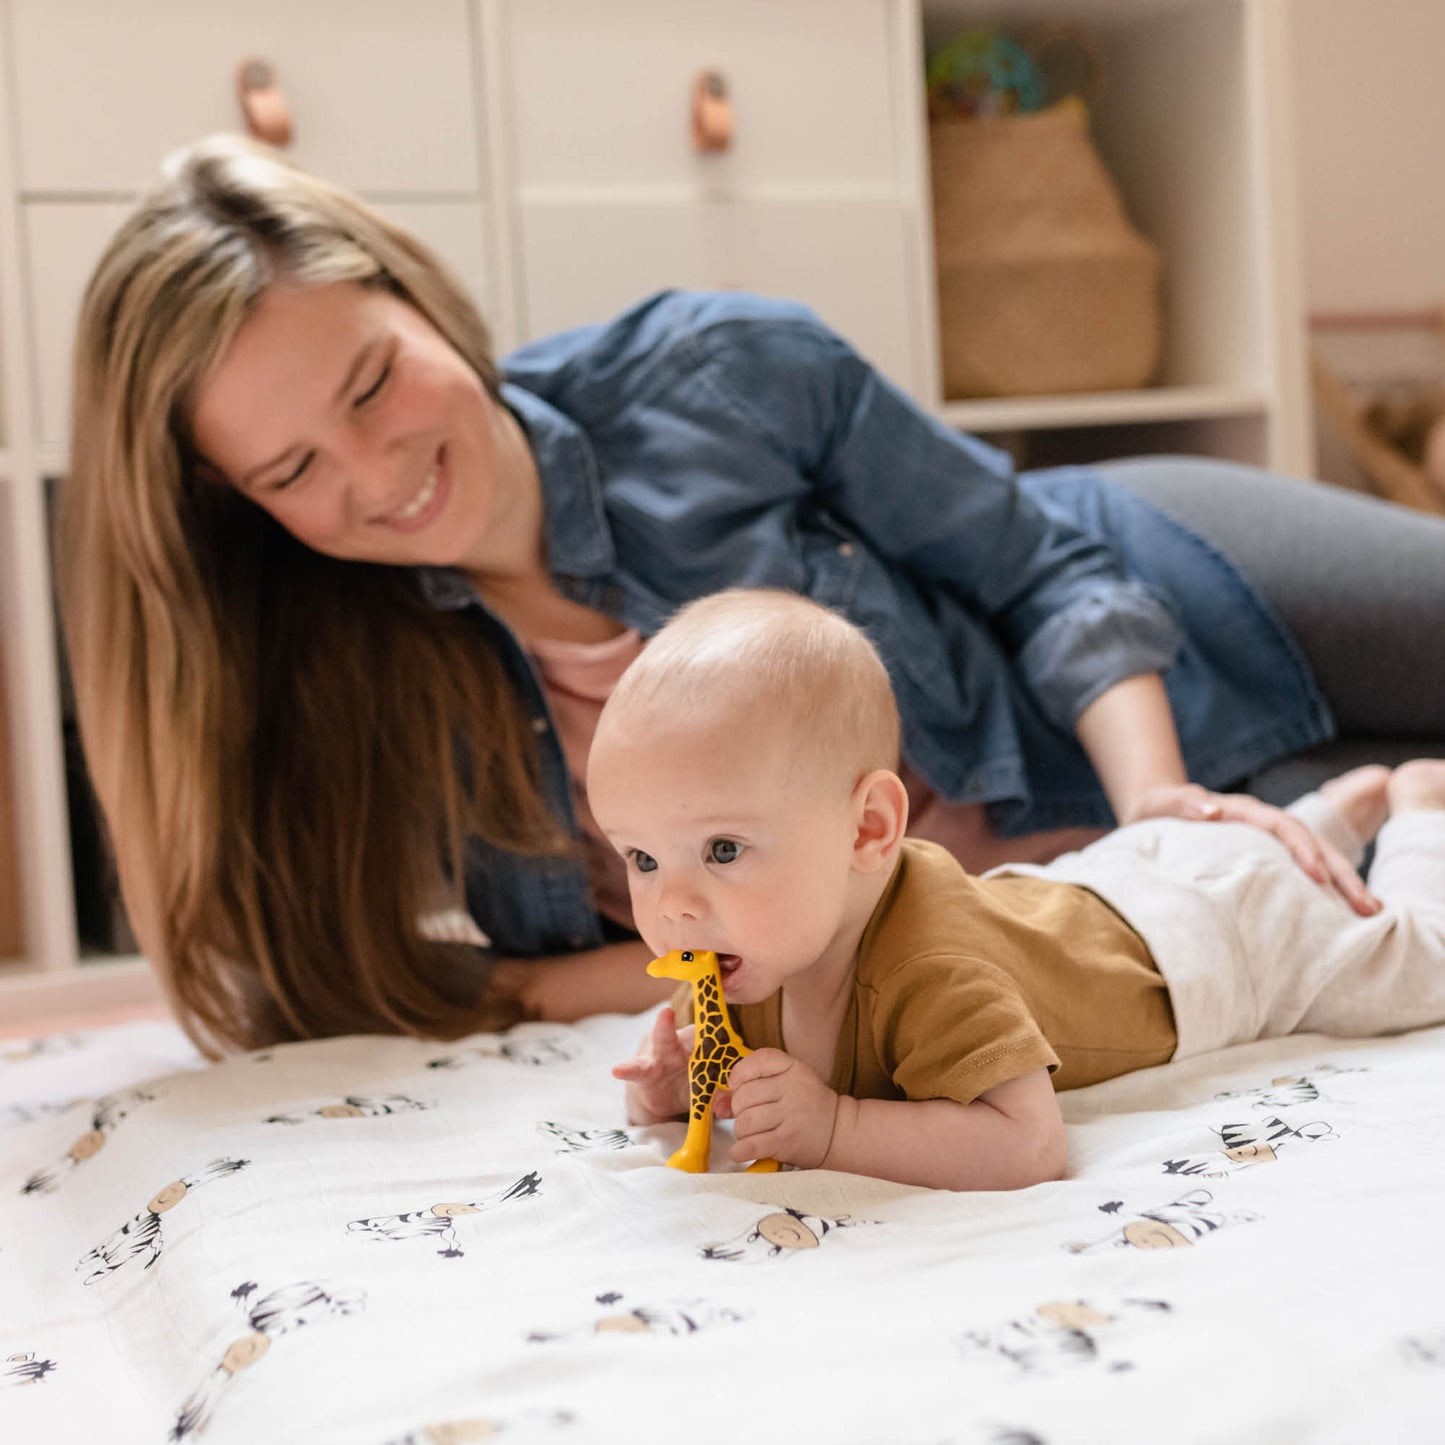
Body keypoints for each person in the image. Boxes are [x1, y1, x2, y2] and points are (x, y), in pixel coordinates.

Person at [58, 134, 1445, 1057]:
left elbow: (1040, 566)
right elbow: (525, 980)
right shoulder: (351, 682)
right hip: (1138, 895)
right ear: (244, 510)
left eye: (372, 381)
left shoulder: (712, 372)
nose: (381, 468)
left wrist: (1152, 803)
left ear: (416, 296)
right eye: (296, 464)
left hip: (1172, 599)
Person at [598, 590, 1445, 1191]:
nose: (671, 904)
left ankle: (1413, 809)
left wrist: (833, 1128)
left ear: (866, 831)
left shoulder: (927, 970)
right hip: (1118, 878)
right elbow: (694, 1081)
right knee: (1248, 864)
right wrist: (667, 1087)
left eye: (721, 847)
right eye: (640, 859)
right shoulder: (752, 943)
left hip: (1214, 937)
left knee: (1420, 968)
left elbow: (1026, 1144)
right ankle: (1335, 813)